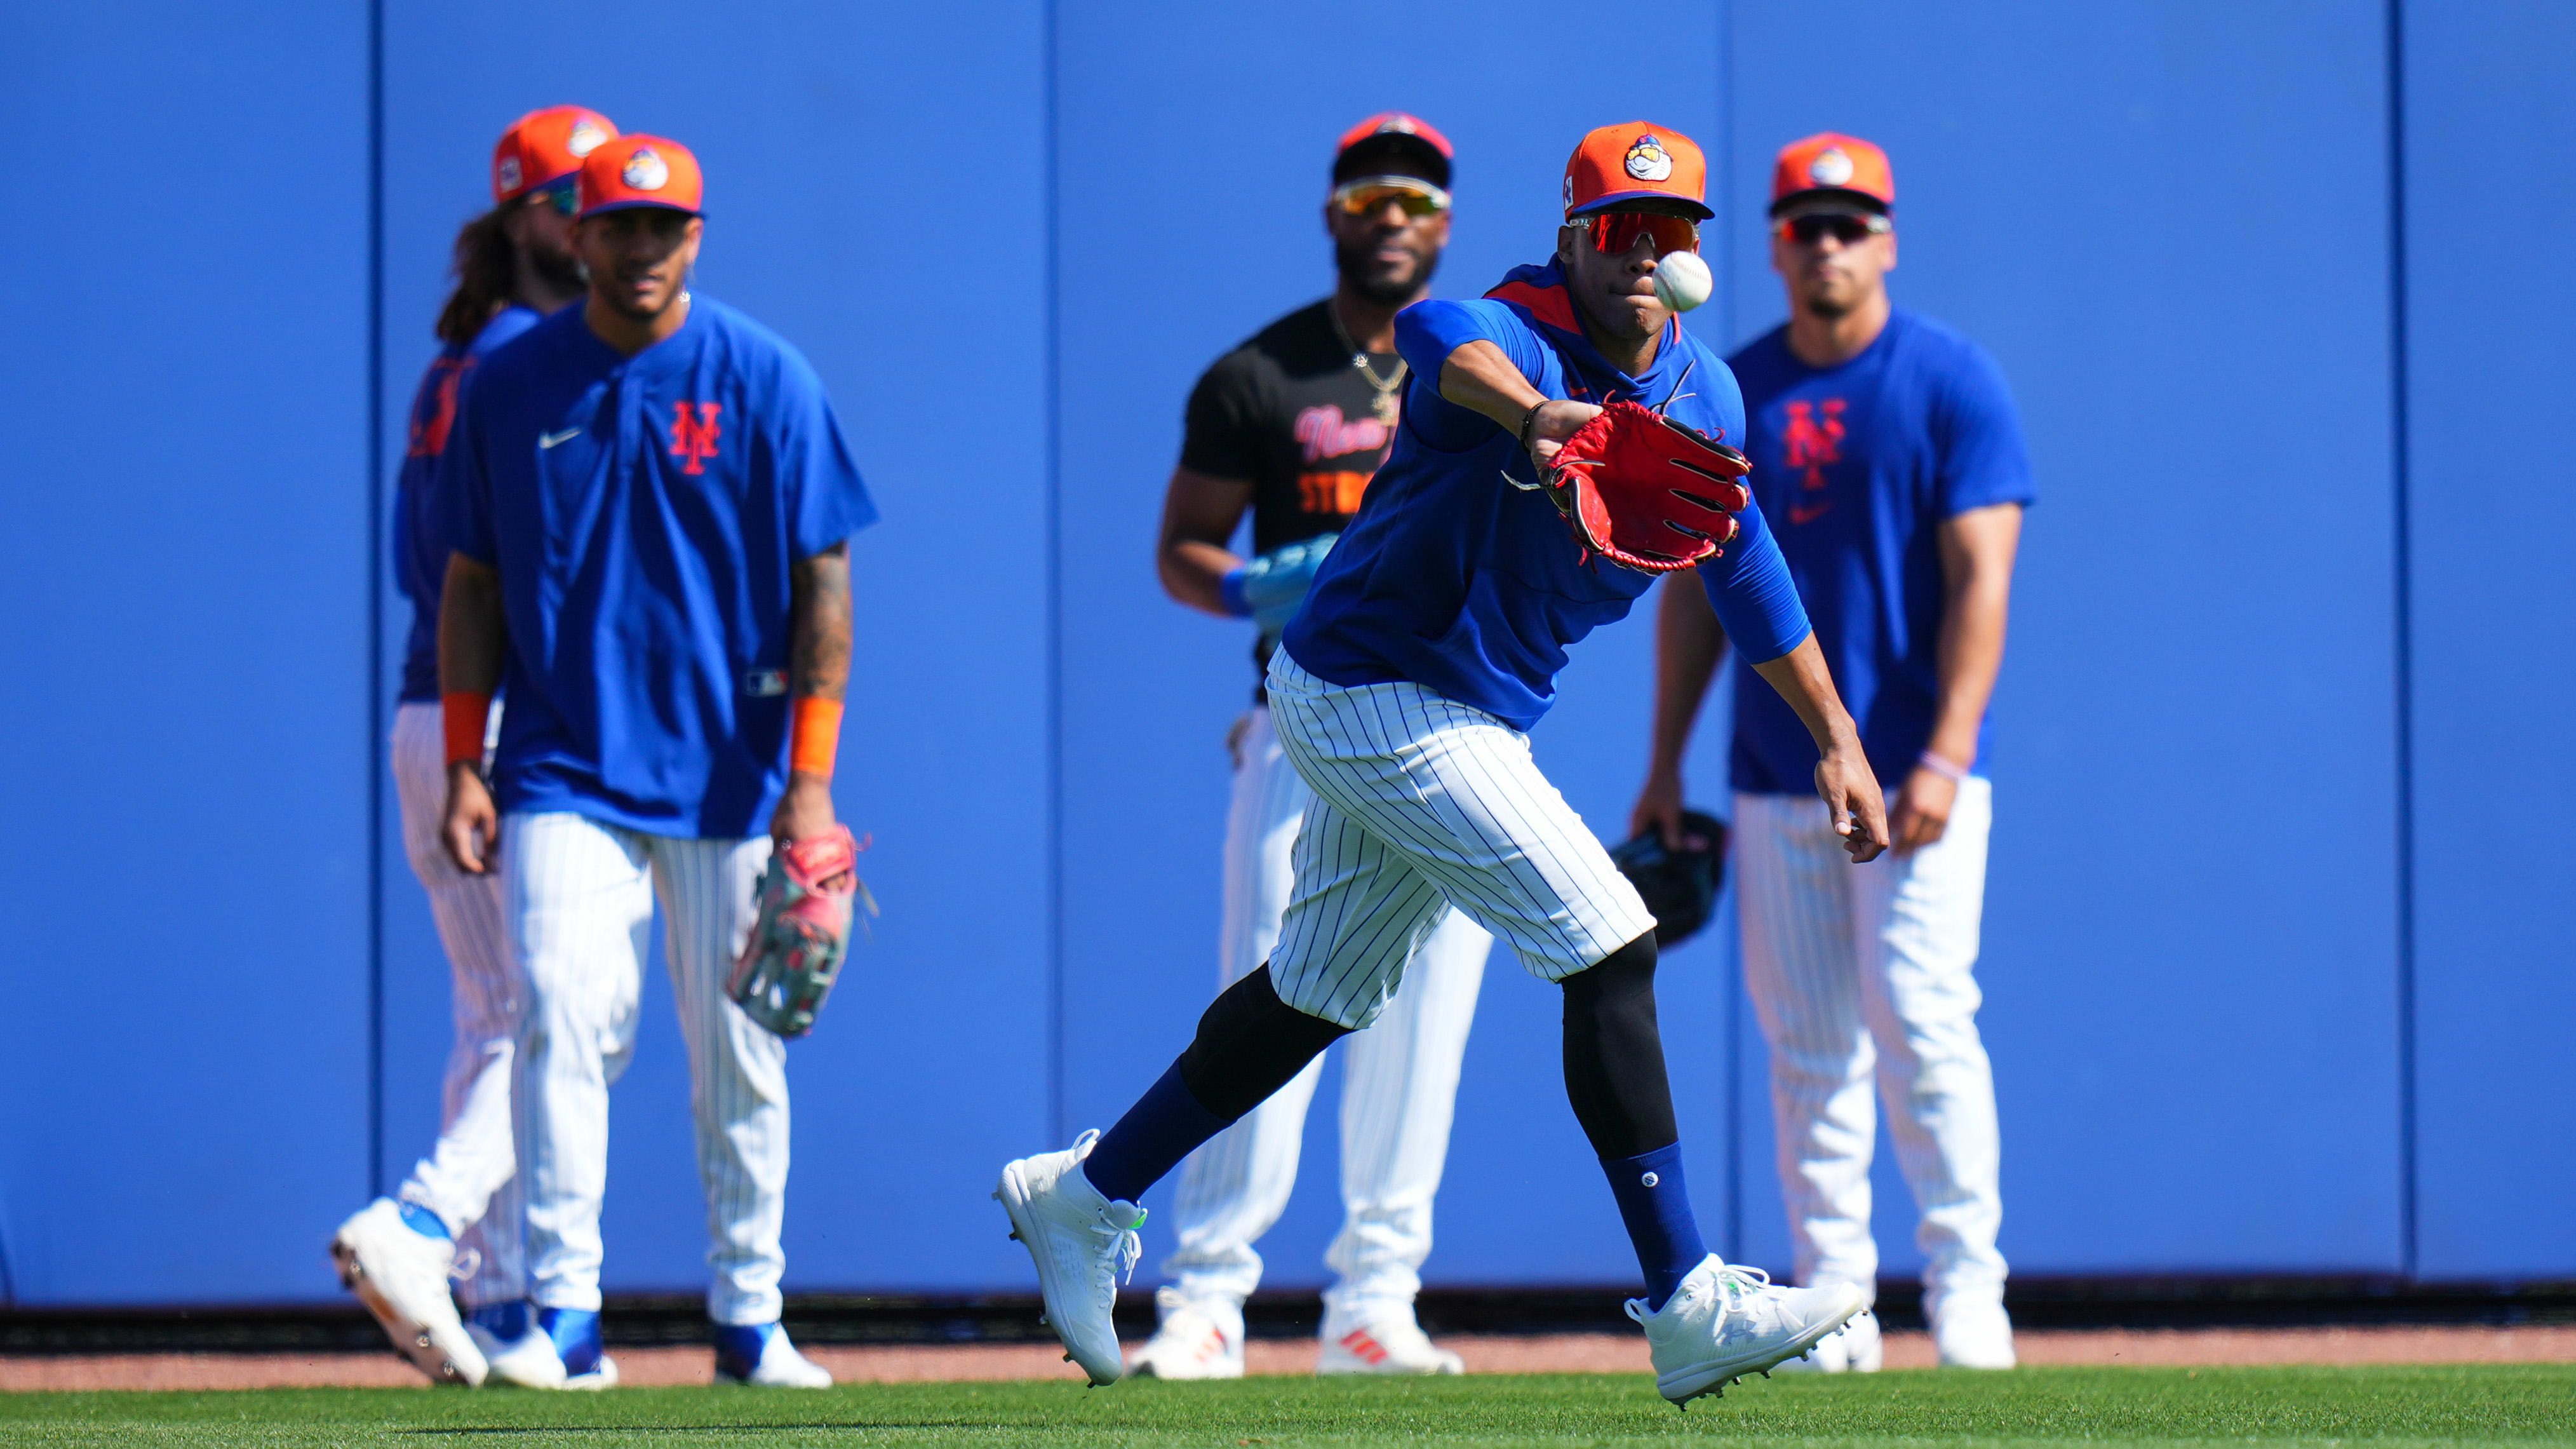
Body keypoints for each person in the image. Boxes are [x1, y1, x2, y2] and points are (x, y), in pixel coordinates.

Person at [1000, 121, 1891, 1408]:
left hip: (1473, 709)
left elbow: (1745, 567)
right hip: (1369, 686)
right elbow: (1432, 333)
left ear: (1694, 251)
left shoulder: (1702, 393)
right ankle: (1688, 1295)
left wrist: (1837, 738)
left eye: (1671, 230)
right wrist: (1540, 416)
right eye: (1619, 229)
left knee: (1312, 995)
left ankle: (1084, 1194)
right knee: (1609, 938)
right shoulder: (1518, 331)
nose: (1646, 252)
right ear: (1572, 237)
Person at [438, 133, 876, 1390]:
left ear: (698, 236)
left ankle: (749, 1318)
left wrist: (811, 780)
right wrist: (468, 758)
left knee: (742, 1048)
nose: (644, 248)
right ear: (575, 234)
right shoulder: (512, 381)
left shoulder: (762, 374)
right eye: (620, 225)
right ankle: (563, 1317)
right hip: (563, 763)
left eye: (667, 227)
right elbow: (472, 583)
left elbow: (825, 584)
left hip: (734, 774)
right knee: (561, 1016)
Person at [1630, 133, 2032, 1371]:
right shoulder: (1730, 386)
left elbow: (1983, 577)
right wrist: (1665, 765)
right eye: (1805, 222)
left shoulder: (1951, 381)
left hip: (1916, 778)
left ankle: (1968, 1289)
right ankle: (1839, 1302)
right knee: (1805, 1041)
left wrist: (1948, 752)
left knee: (1919, 1018)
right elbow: (1694, 592)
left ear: (1889, 240)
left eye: (1850, 223)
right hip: (1772, 772)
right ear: (1773, 241)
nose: (1826, 243)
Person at [1139, 114, 1493, 1380]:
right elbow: (1183, 546)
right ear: (1334, 213)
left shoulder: (1492, 362)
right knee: (1269, 985)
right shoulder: (1262, 374)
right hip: (1302, 713)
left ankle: (1373, 1300)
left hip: (1455, 717)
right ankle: (1208, 1295)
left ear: (1443, 222)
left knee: (1424, 1017)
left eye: (1412, 200)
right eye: (1367, 199)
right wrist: (1245, 588)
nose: (1390, 219)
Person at [330, 104, 617, 1391]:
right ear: (527, 217)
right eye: (577, 200)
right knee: (560, 1021)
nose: (596, 220)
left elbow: (414, 555)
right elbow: (482, 569)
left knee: (501, 1013)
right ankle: (428, 1223)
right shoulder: (526, 358)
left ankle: (496, 1301)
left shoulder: (463, 356)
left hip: (435, 710)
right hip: (486, 717)